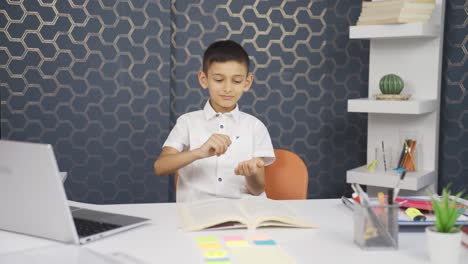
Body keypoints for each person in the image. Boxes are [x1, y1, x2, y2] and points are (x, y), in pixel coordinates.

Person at [154, 40, 275, 202]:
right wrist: (199, 152)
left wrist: (251, 173)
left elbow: (258, 189)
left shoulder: (255, 127)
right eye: (218, 80)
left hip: (243, 213)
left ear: (247, 83)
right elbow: (160, 167)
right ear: (204, 79)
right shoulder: (187, 122)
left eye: (237, 81)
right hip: (196, 213)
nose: (227, 88)